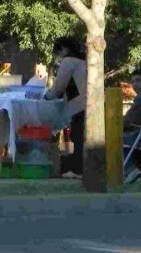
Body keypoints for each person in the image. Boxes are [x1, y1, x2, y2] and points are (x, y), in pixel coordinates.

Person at [43, 36, 87, 177]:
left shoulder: (68, 61)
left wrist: (46, 96)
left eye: (59, 52)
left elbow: (59, 87)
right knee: (83, 137)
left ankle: (77, 170)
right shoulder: (85, 61)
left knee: (78, 136)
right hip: (91, 103)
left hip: (79, 104)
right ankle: (81, 168)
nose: (59, 56)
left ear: (64, 49)